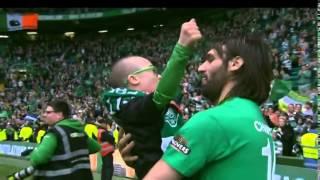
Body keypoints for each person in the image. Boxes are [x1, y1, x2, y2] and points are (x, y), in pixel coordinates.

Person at [123, 34, 277, 179]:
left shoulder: (213, 121)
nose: (200, 68)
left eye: (210, 60)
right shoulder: (257, 118)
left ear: (235, 63)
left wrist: (144, 158)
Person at [101, 18, 201, 178]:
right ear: (134, 79)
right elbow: (162, 94)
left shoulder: (150, 108)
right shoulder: (134, 108)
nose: (160, 76)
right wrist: (181, 49)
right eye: (153, 71)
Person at [26, 99, 100, 179]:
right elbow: (96, 147)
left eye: (48, 112)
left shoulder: (55, 133)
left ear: (60, 115)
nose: (44, 115)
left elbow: (37, 159)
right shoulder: (78, 131)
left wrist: (33, 153)